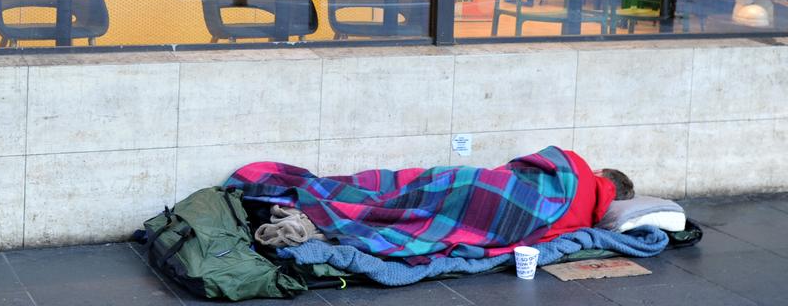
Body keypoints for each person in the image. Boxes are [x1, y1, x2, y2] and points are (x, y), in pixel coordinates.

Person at [225, 146, 633, 260]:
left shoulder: (573, 164)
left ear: (602, 174)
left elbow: (520, 165)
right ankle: (321, 214)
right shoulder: (584, 223)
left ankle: (303, 194)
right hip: (505, 207)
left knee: (396, 191)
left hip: (480, 182)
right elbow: (537, 233)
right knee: (405, 216)